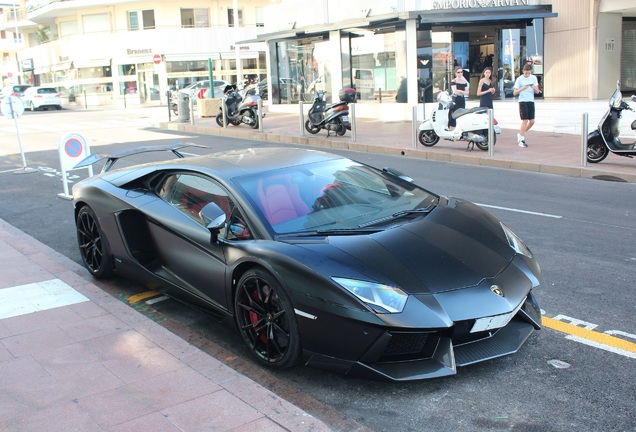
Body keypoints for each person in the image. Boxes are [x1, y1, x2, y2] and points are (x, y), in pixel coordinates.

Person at [513, 63, 540, 147]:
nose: (527, 75)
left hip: (531, 101)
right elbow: (515, 93)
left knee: (532, 121)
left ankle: (521, 133)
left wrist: (533, 87)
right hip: (523, 101)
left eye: (528, 73)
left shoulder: (533, 78)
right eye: (525, 73)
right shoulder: (519, 79)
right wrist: (522, 88)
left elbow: (538, 91)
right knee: (525, 120)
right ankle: (521, 139)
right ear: (523, 71)